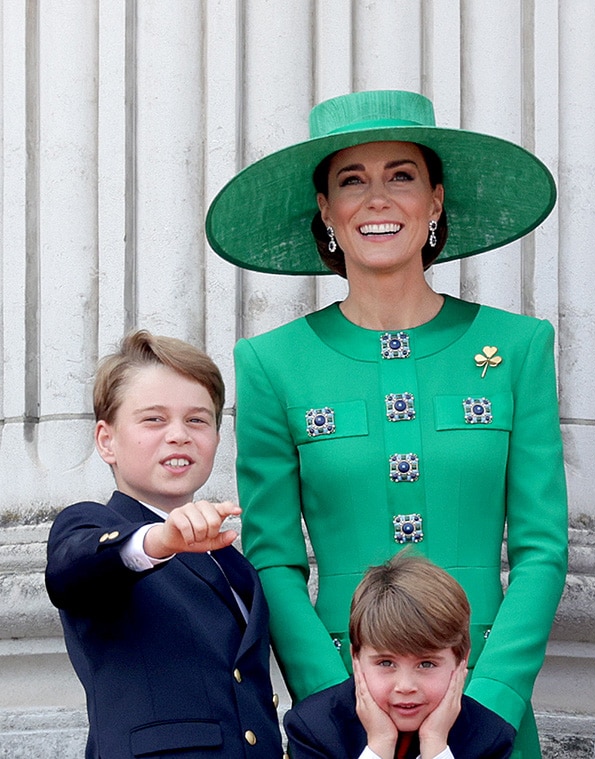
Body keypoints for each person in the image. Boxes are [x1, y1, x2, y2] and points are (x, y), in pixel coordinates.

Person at [205, 89, 568, 759]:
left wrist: (492, 698)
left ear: (434, 200)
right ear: (326, 211)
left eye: (401, 176)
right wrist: (327, 701)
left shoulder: (516, 347)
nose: (378, 199)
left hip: (484, 699)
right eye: (352, 180)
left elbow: (543, 548)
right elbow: (275, 560)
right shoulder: (271, 364)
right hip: (347, 710)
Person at [45, 330, 282, 759]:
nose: (179, 435)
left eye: (197, 419)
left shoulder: (232, 560)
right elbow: (70, 573)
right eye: (154, 419)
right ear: (106, 440)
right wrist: (159, 540)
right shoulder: (91, 525)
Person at [284, 553, 516, 759]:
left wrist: (435, 745)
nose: (405, 687)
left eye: (426, 663)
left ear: (461, 660)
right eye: (386, 662)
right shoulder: (315, 728)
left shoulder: (489, 737)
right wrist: (379, 746)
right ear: (356, 659)